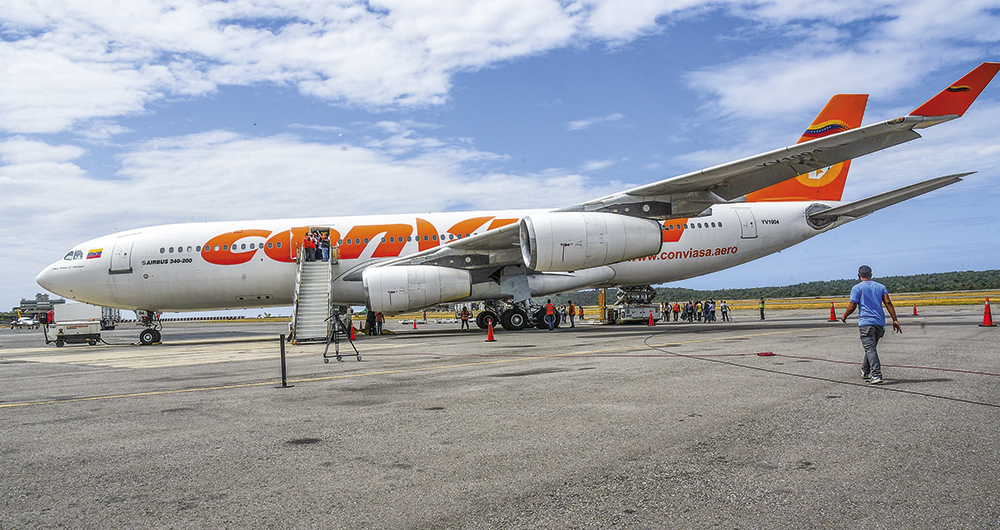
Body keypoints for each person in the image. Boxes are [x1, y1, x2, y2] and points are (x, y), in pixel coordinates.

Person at [841, 265, 901, 384]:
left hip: (866, 323)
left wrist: (844, 316)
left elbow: (852, 305)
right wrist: (895, 319)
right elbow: (888, 302)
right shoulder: (881, 287)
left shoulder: (857, 288)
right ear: (871, 275)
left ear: (859, 275)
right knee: (871, 349)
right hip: (879, 323)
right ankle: (865, 370)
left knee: (870, 349)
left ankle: (876, 374)